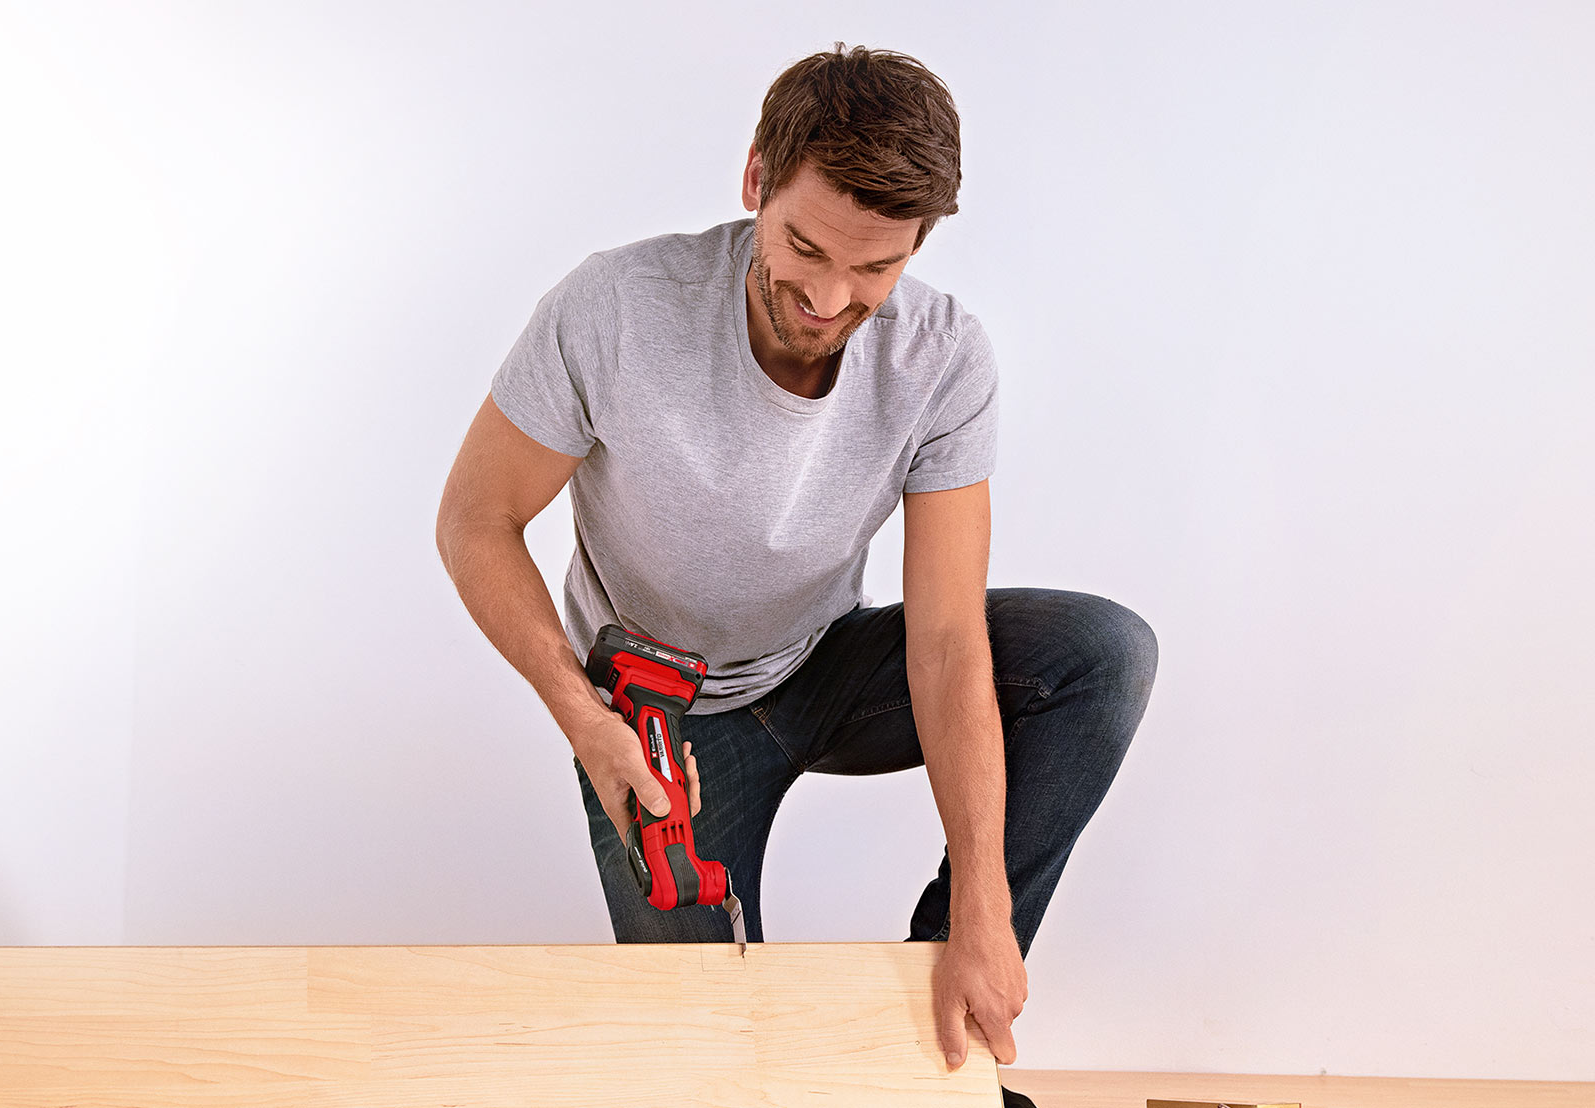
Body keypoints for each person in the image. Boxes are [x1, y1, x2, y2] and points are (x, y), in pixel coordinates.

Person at [436, 44, 1157, 1101]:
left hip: (824, 666)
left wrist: (983, 907)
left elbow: (949, 644)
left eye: (875, 269)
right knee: (717, 1065)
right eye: (803, 248)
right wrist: (580, 718)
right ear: (754, 183)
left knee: (1105, 655)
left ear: (919, 246)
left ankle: (933, 1011)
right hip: (653, 718)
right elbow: (475, 518)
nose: (827, 296)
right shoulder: (616, 310)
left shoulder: (943, 359)